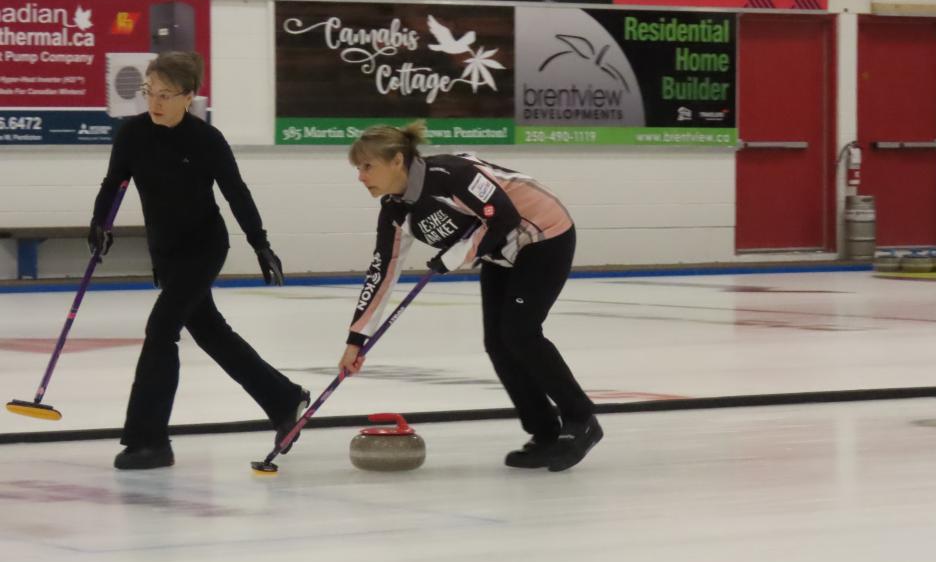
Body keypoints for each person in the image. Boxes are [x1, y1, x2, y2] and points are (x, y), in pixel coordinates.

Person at [89, 51, 309, 470]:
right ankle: (283, 398)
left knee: (160, 330)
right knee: (211, 333)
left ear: (189, 96)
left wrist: (260, 243)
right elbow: (113, 182)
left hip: (204, 247)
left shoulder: (206, 140)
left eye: (166, 95)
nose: (155, 102)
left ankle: (148, 441)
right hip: (166, 252)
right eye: (150, 92)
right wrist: (100, 222)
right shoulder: (133, 134)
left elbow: (236, 192)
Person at [339, 122, 602, 472]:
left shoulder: (452, 174)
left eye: (367, 166)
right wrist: (356, 340)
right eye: (358, 169)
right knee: (497, 341)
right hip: (499, 252)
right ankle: (544, 432)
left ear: (397, 161)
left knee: (520, 332)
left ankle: (581, 418)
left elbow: (503, 216)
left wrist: (455, 256)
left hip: (543, 235)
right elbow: (382, 272)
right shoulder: (395, 209)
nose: (361, 177)